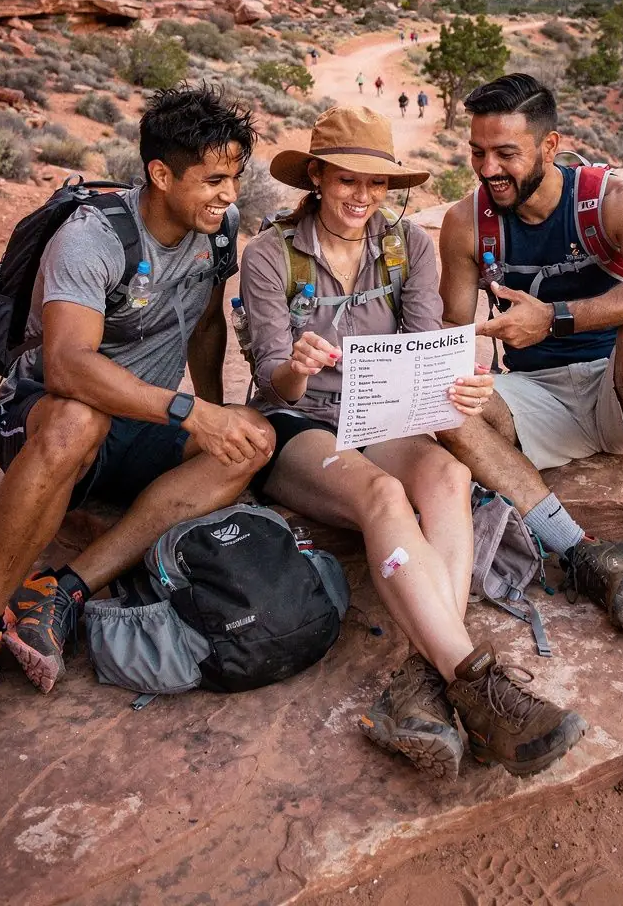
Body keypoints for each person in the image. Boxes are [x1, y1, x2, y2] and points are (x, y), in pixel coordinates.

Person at [239, 105, 587, 782]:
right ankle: (481, 688)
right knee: (382, 494)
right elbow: (272, 385)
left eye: (376, 185)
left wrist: (463, 388)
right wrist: (296, 365)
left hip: (382, 414)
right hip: (301, 423)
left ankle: (421, 683)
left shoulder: (406, 247)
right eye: (346, 180)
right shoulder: (271, 255)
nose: (361, 198)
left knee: (449, 478)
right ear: (316, 176)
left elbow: (429, 350)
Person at [0, 86, 274, 744]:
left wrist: (216, 417)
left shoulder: (216, 232)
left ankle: (64, 588)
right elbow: (68, 365)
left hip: (141, 427)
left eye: (235, 177)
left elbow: (205, 327)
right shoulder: (94, 236)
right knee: (77, 419)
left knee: (252, 441)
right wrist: (189, 413)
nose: (229, 195)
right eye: (214, 179)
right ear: (161, 174)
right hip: (43, 420)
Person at [437, 73, 623, 658]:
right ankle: (582, 552)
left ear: (550, 145)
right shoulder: (468, 223)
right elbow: (452, 335)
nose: (489, 169)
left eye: (506, 153)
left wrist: (556, 318)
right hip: (532, 397)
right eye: (477, 152)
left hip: (618, 390)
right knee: (443, 398)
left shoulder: (610, 200)